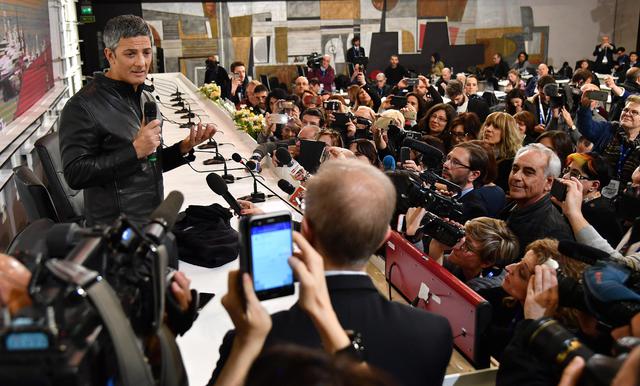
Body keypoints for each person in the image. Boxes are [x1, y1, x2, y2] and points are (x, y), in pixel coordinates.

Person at [210, 160, 454, 386]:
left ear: (306, 230)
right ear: (383, 238)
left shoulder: (253, 339)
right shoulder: (434, 333)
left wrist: (244, 344)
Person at [59, 15, 215, 227]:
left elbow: (149, 163)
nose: (141, 63)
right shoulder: (82, 106)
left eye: (146, 53)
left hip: (151, 222)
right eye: (130, 54)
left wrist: (183, 148)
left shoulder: (146, 98)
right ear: (110, 55)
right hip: (115, 234)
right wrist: (134, 150)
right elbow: (75, 174)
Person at [500, 143, 573, 258]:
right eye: (515, 169)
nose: (516, 177)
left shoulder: (553, 232)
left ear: (549, 183)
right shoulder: (514, 204)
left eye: (528, 172)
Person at [428, 217, 519, 291]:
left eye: (467, 246)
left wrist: (436, 249)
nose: (456, 246)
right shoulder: (455, 261)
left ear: (486, 262)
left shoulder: (487, 288)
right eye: (461, 236)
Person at [576, 89, 640, 189]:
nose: (627, 114)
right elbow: (586, 128)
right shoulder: (609, 128)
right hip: (598, 187)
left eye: (634, 112)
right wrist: (585, 107)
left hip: (628, 193)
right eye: (626, 110)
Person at [561, 152, 623, 246]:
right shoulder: (567, 199)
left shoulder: (603, 215)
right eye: (567, 170)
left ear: (594, 185)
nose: (565, 177)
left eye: (574, 174)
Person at [441, 141, 492, 221]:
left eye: (456, 162)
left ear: (473, 175)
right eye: (448, 158)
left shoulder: (474, 210)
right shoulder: (449, 195)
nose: (446, 165)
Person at [479, 112, 522, 191]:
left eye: (496, 127)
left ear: (507, 132)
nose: (488, 129)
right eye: (487, 125)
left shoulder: (511, 162)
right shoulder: (477, 154)